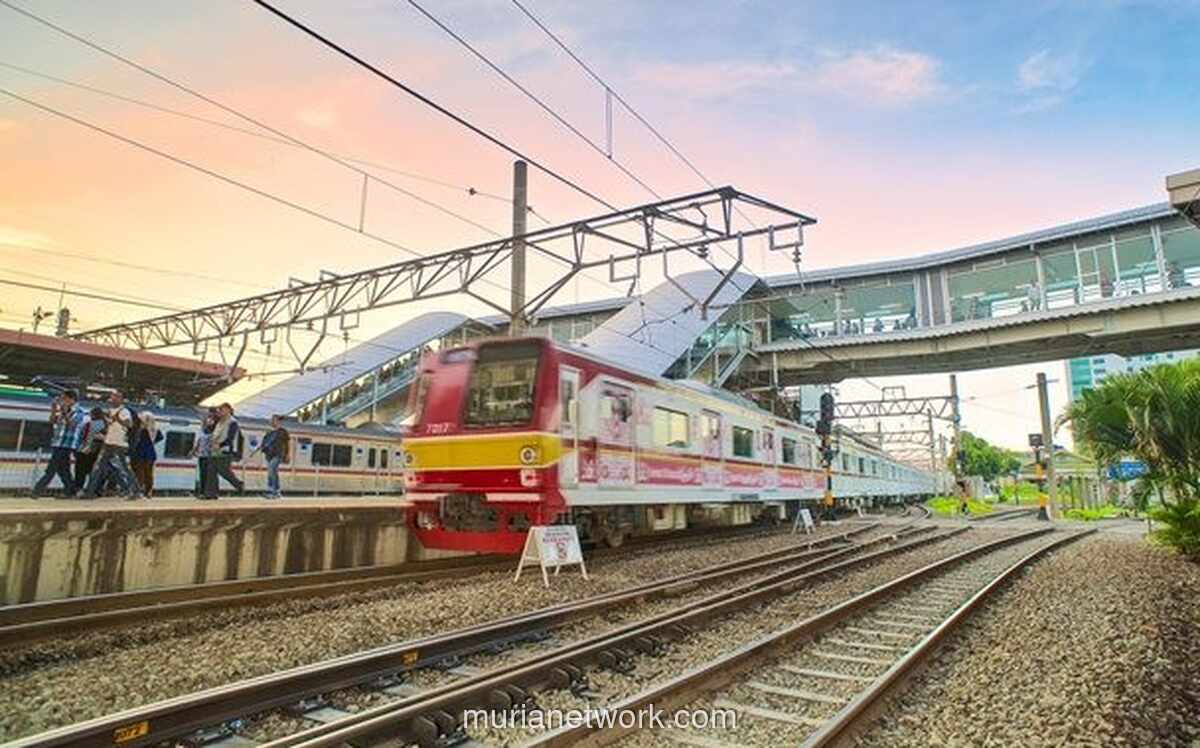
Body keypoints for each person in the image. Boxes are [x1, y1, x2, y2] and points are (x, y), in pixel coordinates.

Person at [81, 391, 141, 500]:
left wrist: (118, 419)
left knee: (124, 468)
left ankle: (136, 491)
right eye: (112, 397)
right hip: (108, 442)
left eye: (116, 397)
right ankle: (89, 492)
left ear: (121, 399)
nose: (113, 399)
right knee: (97, 468)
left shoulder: (124, 411)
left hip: (119, 444)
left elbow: (129, 424)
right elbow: (107, 426)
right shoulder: (110, 411)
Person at [31, 390, 85, 498]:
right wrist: (53, 409)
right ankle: (71, 492)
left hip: (67, 444)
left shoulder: (80, 411)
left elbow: (72, 425)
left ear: (71, 399)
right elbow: (52, 421)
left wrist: (64, 411)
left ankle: (37, 491)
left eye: (64, 399)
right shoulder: (62, 410)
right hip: (58, 442)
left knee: (51, 468)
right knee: (63, 470)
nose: (62, 401)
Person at [203, 403, 244, 499]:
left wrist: (221, 445)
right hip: (214, 450)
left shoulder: (233, 422)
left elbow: (231, 438)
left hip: (225, 450)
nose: (220, 412)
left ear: (229, 410)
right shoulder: (219, 422)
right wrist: (209, 425)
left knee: (224, 471)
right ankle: (210, 494)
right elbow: (207, 431)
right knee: (211, 471)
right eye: (219, 410)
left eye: (222, 410)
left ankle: (239, 484)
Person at [251, 415, 290, 499]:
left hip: (278, 454)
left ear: (278, 421)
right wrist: (261, 448)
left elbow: (287, 444)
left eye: (274, 420)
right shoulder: (269, 432)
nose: (272, 422)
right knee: (270, 472)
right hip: (269, 454)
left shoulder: (283, 432)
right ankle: (271, 490)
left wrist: (287, 454)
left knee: (272, 470)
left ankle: (275, 491)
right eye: (271, 420)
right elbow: (264, 443)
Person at [74, 407, 107, 492]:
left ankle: (79, 489)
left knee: (80, 472)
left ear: (92, 414)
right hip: (98, 451)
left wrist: (77, 449)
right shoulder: (106, 425)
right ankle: (96, 490)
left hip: (85, 450)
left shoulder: (88, 424)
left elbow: (81, 437)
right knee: (95, 472)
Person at [130, 411, 163, 498]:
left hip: (140, 453)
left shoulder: (141, 430)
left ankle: (139, 490)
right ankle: (148, 491)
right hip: (150, 453)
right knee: (149, 473)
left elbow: (135, 440)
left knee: (140, 473)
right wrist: (152, 442)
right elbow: (160, 437)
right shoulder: (155, 430)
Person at [190, 410, 216, 497]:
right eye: (208, 419)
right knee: (203, 474)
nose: (209, 421)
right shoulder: (202, 431)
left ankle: (210, 493)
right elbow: (198, 442)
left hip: (211, 456)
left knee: (210, 475)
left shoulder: (215, 432)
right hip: (202, 456)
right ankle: (202, 492)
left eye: (211, 419)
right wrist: (193, 451)